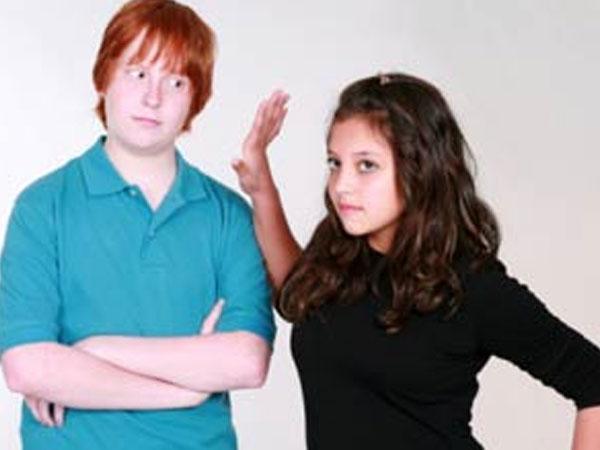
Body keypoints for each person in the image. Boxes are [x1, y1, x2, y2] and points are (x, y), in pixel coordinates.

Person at [233, 73, 600, 449]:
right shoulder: (340, 255)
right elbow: (299, 293)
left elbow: (593, 380)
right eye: (335, 163)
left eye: (366, 165)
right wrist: (261, 189)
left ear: (419, 167)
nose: (342, 185)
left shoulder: (473, 287)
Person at [0, 1, 275, 449]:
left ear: (196, 99)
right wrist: (185, 390)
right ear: (103, 76)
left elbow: (247, 360)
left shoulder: (228, 215)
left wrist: (94, 351)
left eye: (176, 81)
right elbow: (27, 367)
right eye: (138, 73)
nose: (153, 97)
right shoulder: (42, 207)